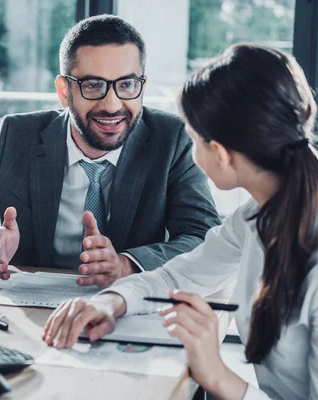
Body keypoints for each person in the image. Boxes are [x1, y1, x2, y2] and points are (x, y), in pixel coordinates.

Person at [42, 44, 318, 400]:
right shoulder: (256, 214)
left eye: (192, 136)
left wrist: (218, 376)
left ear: (218, 153)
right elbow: (175, 276)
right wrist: (110, 302)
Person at [0, 15, 220, 287]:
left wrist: (126, 265)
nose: (112, 105)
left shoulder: (173, 139)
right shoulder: (17, 138)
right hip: (32, 317)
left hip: (127, 308)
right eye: (93, 85)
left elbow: (205, 241)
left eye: (126, 85)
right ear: (64, 91)